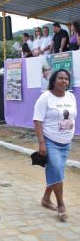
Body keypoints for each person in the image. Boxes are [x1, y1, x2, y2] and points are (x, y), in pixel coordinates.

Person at [33, 69, 77, 221]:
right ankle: (61, 205)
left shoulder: (71, 96)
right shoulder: (45, 97)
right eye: (60, 78)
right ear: (53, 80)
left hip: (66, 142)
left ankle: (46, 199)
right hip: (51, 141)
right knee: (57, 170)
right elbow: (37, 120)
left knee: (56, 172)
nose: (64, 81)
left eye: (66, 79)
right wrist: (41, 143)